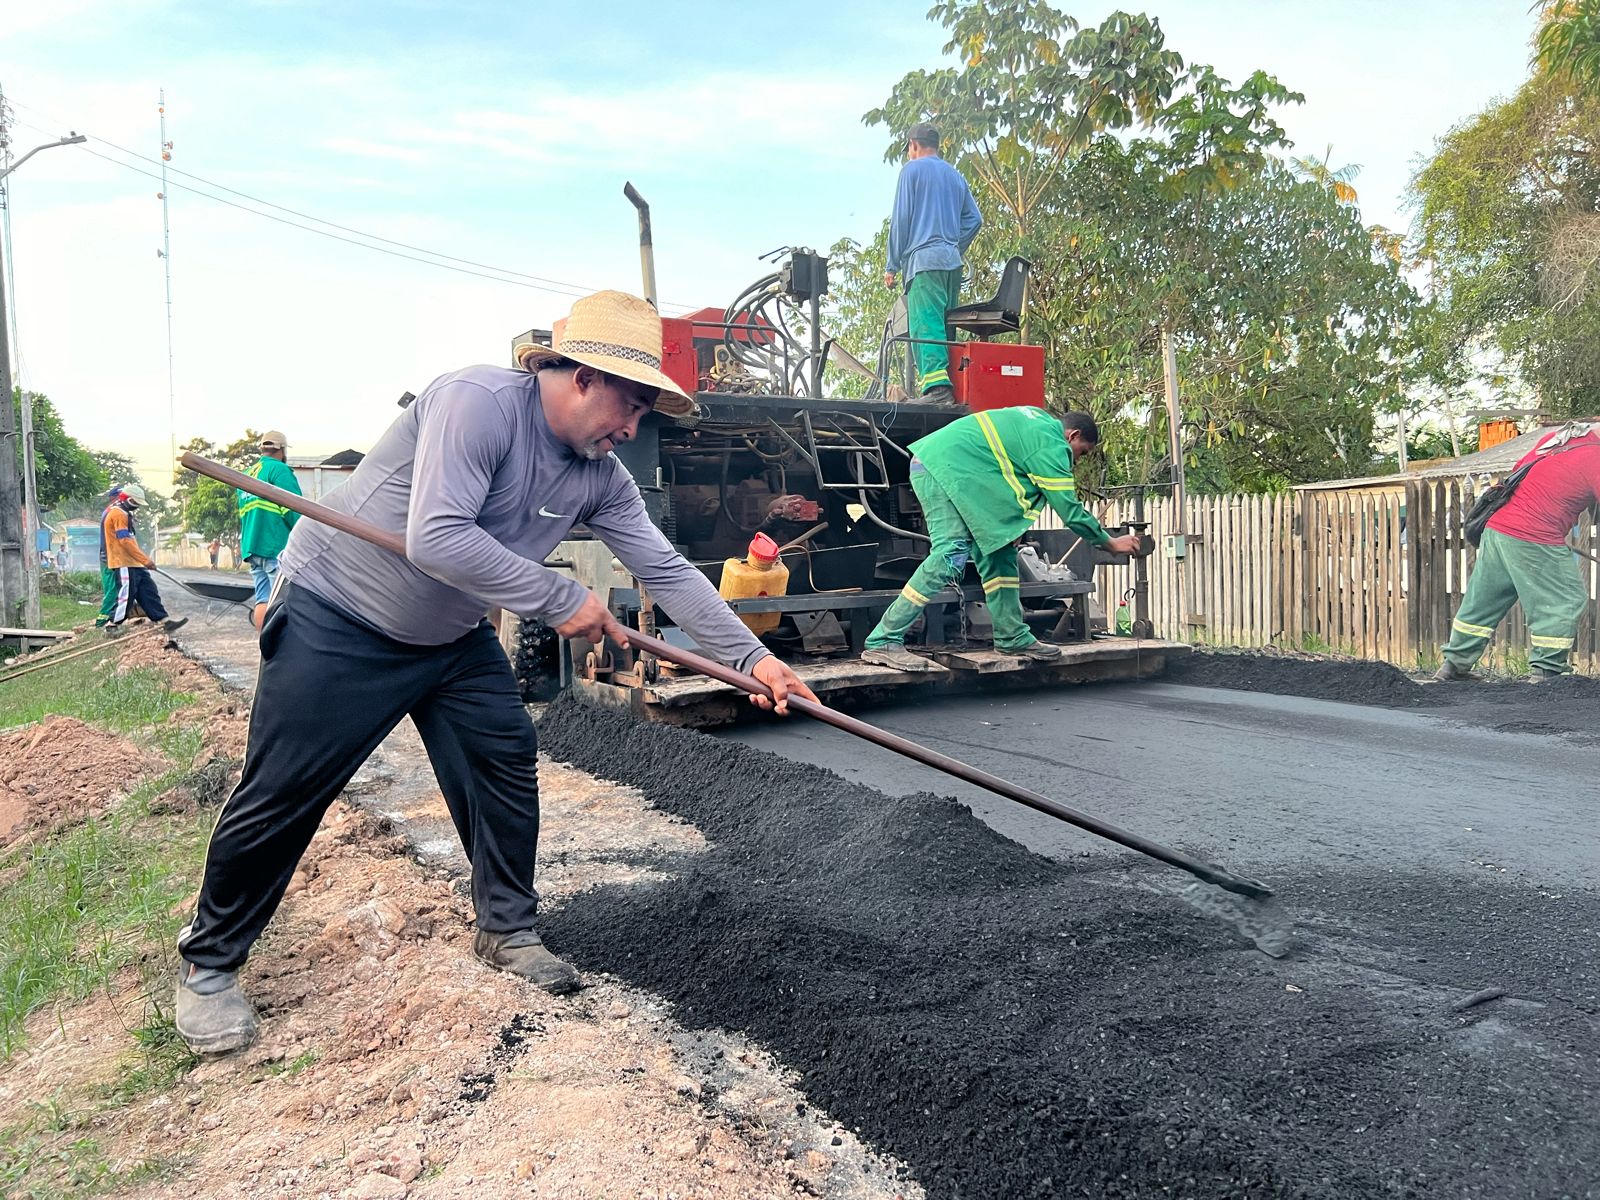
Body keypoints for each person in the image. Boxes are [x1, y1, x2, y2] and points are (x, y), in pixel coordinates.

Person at [174, 290, 820, 1055]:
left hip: (450, 634)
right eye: (631, 406)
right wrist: (558, 597)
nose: (631, 428)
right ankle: (209, 966)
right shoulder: (474, 403)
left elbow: (667, 572)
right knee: (286, 788)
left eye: (645, 414)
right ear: (582, 377)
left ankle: (507, 930)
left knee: (504, 761)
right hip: (341, 615)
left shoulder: (600, 475)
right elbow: (439, 537)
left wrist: (753, 659)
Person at [860, 407, 1141, 671]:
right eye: (1082, 452)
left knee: (1000, 552)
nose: (1077, 460)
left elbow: (1000, 472)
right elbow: (1069, 510)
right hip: (939, 469)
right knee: (950, 554)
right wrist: (1111, 543)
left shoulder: (1036, 423)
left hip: (952, 469)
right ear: (1073, 435)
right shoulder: (1052, 444)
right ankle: (883, 639)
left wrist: (1008, 525)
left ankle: (1011, 636)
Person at [1437, 422, 1599, 682]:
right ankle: (1548, 670)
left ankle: (1453, 666)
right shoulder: (1596, 456)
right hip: (1533, 535)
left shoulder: (1558, 439)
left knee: (1484, 601)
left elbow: (1521, 473)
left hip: (1498, 528)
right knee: (1565, 598)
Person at [884, 121, 983, 405]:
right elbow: (975, 220)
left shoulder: (911, 171)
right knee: (945, 324)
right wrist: (952, 246)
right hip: (952, 264)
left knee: (926, 323)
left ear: (913, 145)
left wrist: (892, 265)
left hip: (924, 262)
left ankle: (937, 390)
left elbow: (901, 220)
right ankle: (949, 388)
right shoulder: (954, 175)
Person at [102, 484, 187, 636]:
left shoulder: (125, 514)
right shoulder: (118, 514)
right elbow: (125, 542)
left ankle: (164, 620)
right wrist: (146, 560)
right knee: (126, 596)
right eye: (135, 503)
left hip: (134, 562)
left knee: (148, 591)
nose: (136, 507)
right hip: (123, 562)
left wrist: (141, 561)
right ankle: (112, 625)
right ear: (127, 500)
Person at [238, 430, 302, 629]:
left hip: (252, 546)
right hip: (274, 545)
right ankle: (281, 649)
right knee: (281, 600)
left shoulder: (247, 474)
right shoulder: (279, 471)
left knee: (263, 598)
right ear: (281, 450)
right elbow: (293, 509)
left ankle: (265, 647)